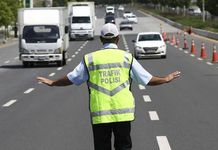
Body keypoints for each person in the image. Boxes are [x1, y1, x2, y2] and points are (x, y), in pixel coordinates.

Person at [37, 23, 181, 150]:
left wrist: (53, 83)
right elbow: (147, 79)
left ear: (101, 39)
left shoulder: (90, 59)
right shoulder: (127, 57)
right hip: (123, 114)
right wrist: (165, 79)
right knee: (123, 147)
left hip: (100, 114)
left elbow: (72, 78)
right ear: (118, 39)